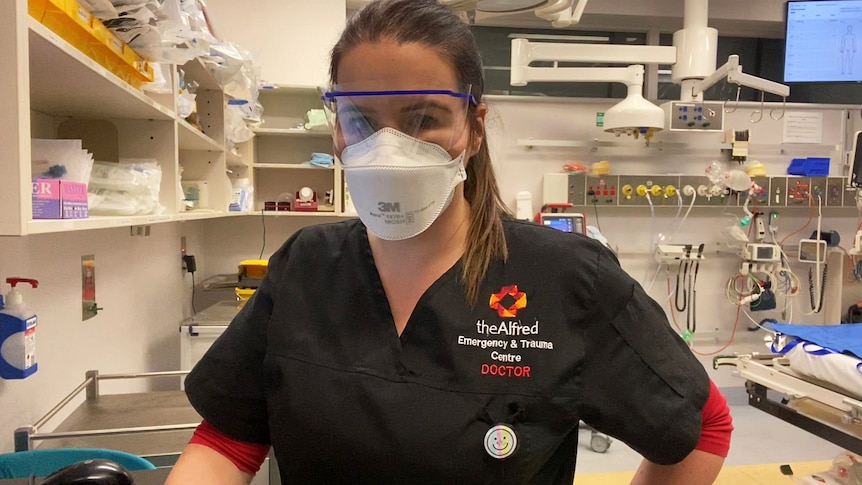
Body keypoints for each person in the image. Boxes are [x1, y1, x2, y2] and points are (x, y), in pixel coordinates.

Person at [166, 1, 733, 483]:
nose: (387, 147)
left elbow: (702, 425)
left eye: (422, 119)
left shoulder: (564, 278)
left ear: (474, 127)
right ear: (335, 125)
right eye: (360, 119)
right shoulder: (306, 266)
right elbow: (227, 439)